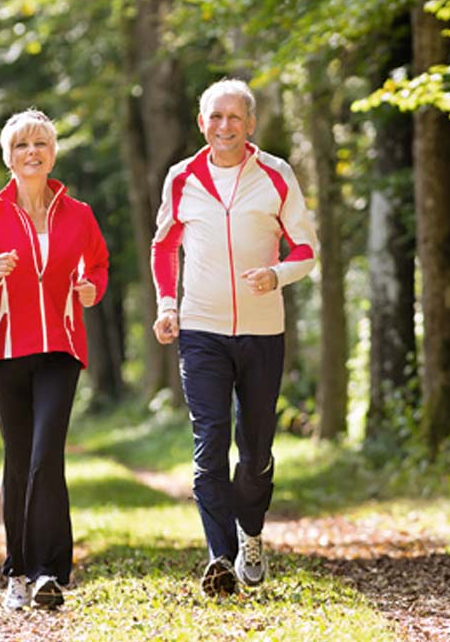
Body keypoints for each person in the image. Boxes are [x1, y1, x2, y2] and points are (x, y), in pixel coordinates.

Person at [150, 79, 318, 596]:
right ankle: (220, 557)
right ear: (201, 123)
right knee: (209, 445)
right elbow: (163, 248)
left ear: (250, 124)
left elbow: (306, 250)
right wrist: (167, 305)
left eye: (234, 118)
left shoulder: (276, 175)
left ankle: (252, 533)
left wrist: (277, 275)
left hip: (263, 331)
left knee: (256, 451)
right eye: (215, 117)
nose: (225, 127)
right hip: (201, 329)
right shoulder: (182, 179)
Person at [0, 109, 109, 611]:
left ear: (53, 153)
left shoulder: (78, 213)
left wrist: (89, 290)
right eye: (21, 146)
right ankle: (17, 570)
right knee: (19, 461)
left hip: (60, 350)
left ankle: (49, 574)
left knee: (46, 456)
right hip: (7, 352)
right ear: (9, 158)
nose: (32, 152)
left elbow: (99, 266)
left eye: (40, 143)